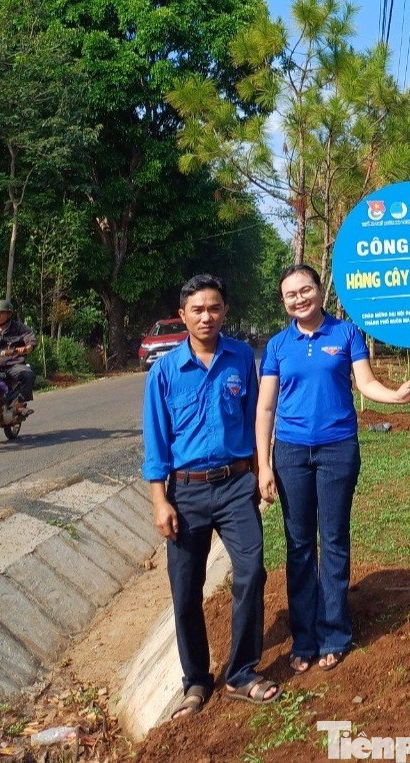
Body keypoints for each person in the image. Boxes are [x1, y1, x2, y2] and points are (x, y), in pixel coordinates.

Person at [256, 265, 410, 674]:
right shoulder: (277, 346)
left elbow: (365, 383)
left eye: (305, 289)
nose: (299, 298)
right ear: (284, 301)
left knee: (334, 539)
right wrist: (263, 463)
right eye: (290, 294)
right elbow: (266, 407)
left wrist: (395, 396)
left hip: (337, 450)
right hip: (290, 453)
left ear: (319, 291)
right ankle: (304, 637)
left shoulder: (346, 334)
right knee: (299, 544)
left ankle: (334, 634)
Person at [142, 273, 280, 719]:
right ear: (182, 315)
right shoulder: (164, 371)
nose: (207, 316)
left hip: (237, 485)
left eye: (214, 307)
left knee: (251, 571)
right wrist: (159, 501)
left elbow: (257, 417)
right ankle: (196, 680)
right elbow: (156, 441)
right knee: (185, 591)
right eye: (197, 309)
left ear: (225, 311)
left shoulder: (241, 357)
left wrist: (262, 471)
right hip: (186, 493)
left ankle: (241, 671)